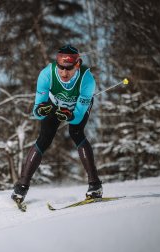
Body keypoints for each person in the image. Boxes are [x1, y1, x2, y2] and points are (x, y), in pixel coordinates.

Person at [11, 44, 102, 204]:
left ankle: (95, 185)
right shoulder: (46, 74)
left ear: (77, 64)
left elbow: (78, 117)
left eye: (69, 68)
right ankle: (21, 187)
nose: (64, 73)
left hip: (76, 108)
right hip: (54, 103)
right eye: (61, 67)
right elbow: (36, 111)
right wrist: (41, 110)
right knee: (44, 138)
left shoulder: (87, 80)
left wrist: (70, 116)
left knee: (76, 133)